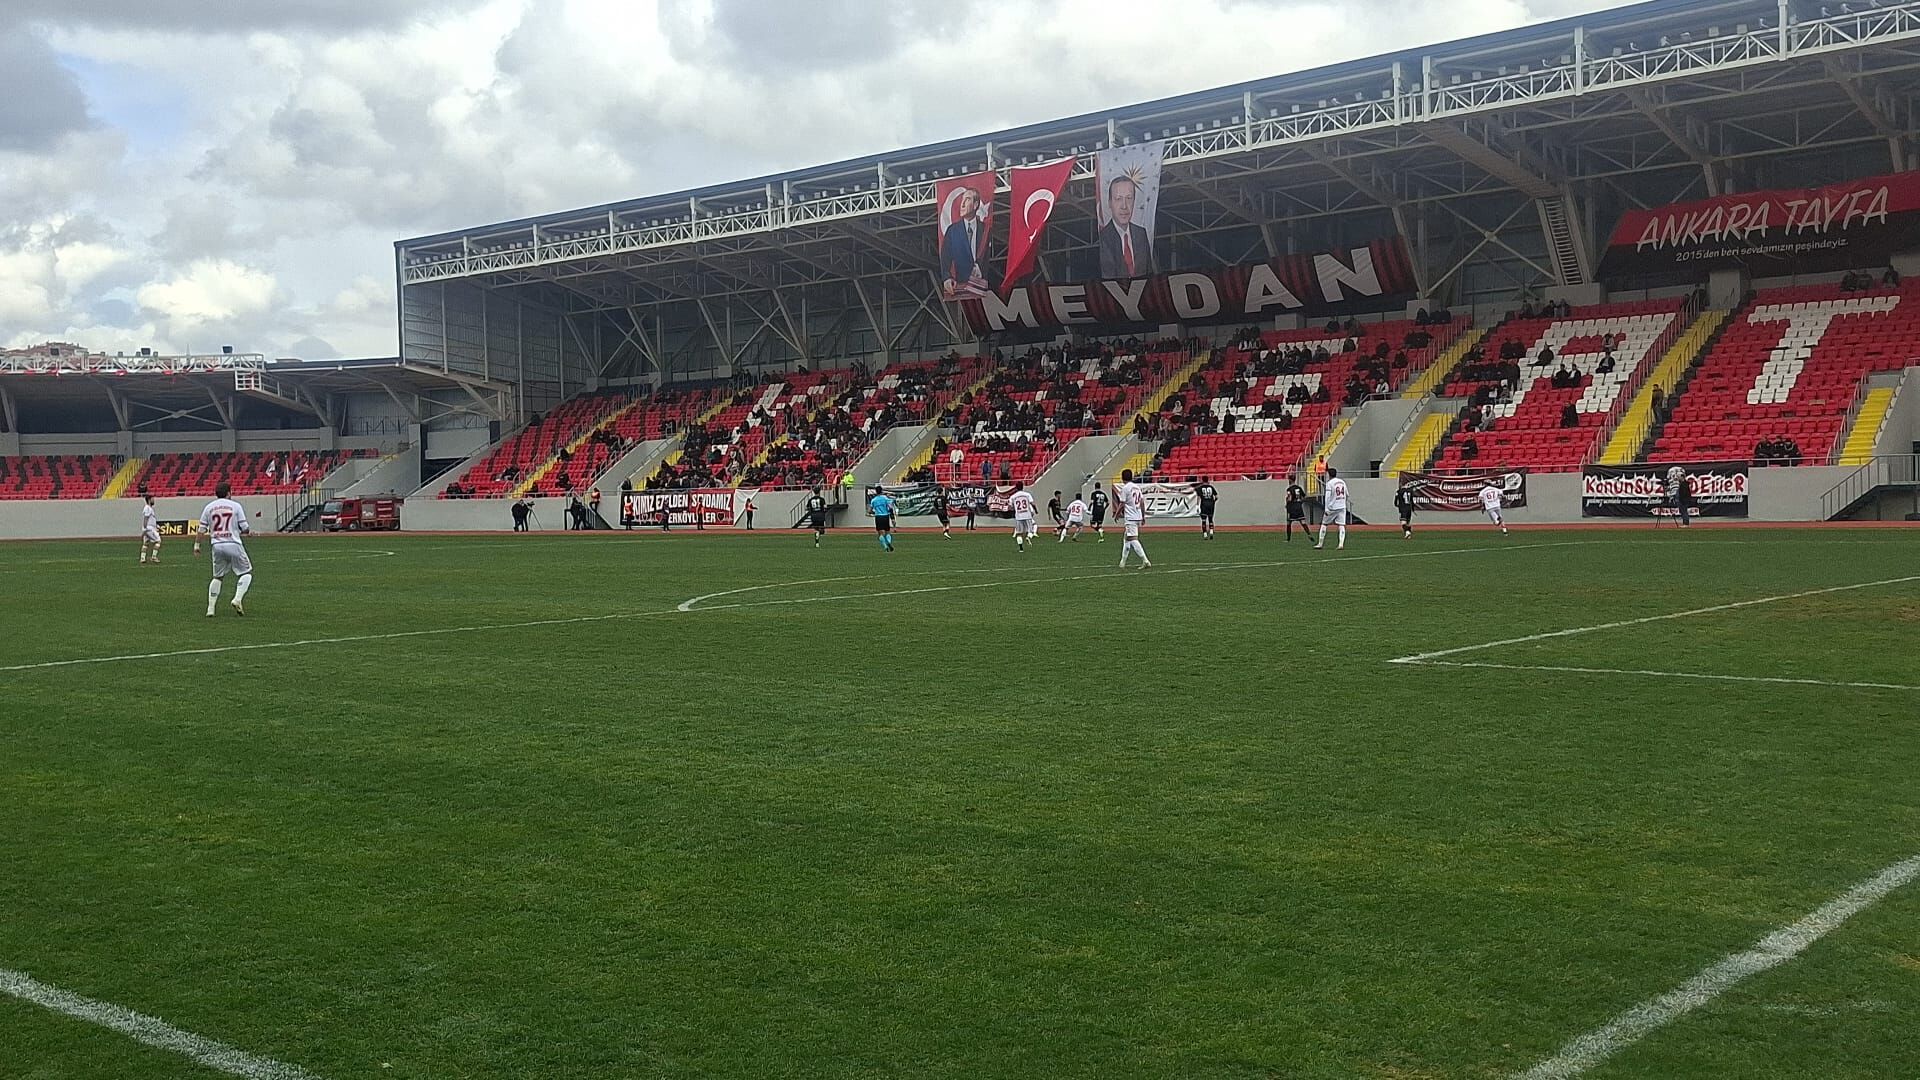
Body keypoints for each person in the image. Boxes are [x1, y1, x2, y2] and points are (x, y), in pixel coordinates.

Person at [198, 482, 253, 617]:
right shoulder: (235, 506)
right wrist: (246, 532)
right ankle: (237, 599)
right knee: (246, 573)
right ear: (229, 492)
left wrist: (196, 545)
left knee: (217, 577)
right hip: (233, 543)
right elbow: (244, 527)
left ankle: (210, 608)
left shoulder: (209, 507)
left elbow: (201, 529)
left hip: (216, 545)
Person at [1097, 175, 1156, 278]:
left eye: (1129, 198)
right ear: (1110, 203)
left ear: (1134, 201)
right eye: (1118, 199)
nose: (1124, 206)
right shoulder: (1103, 237)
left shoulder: (1141, 233)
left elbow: (1149, 272)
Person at [939, 185, 990, 299]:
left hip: (982, 286)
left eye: (967, 200)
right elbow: (945, 256)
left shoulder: (985, 229)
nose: (962, 204)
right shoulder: (953, 231)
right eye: (962, 200)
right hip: (960, 286)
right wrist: (946, 277)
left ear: (976, 205)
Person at [1115, 468, 1151, 569]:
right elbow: (1142, 502)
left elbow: (1122, 503)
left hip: (1130, 517)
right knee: (1126, 538)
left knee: (1133, 539)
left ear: (1122, 478)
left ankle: (1145, 560)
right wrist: (1143, 516)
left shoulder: (1125, 488)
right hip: (1138, 515)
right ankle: (1122, 562)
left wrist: (1117, 514)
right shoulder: (1137, 487)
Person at [1314, 467, 1349, 551]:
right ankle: (1341, 544)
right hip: (1342, 506)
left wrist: (1326, 508)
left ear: (1329, 474)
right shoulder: (1342, 482)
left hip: (1332, 507)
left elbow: (1327, 497)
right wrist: (1343, 502)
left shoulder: (1330, 483)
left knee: (1324, 524)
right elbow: (1347, 494)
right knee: (1341, 525)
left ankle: (1320, 543)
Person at [1008, 484, 1039, 552]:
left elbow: (1010, 507)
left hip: (1019, 516)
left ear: (1016, 488)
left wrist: (1015, 508)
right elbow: (1032, 504)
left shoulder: (1013, 497)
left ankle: (1021, 548)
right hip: (1027, 515)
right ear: (1023, 487)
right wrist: (1036, 510)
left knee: (1019, 533)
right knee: (1030, 530)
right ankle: (1028, 537)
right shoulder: (1027, 494)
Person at [869, 488, 897, 552]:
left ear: (876, 491)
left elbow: (870, 510)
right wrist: (892, 518)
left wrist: (872, 512)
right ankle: (889, 542)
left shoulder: (874, 500)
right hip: (886, 516)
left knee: (880, 534)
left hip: (878, 517)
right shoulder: (885, 498)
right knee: (887, 532)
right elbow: (890, 507)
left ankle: (885, 546)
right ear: (881, 491)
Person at [139, 494, 162, 564]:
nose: (154, 500)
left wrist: (156, 526)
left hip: (149, 528)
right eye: (152, 499)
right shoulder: (148, 508)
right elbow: (146, 518)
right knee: (158, 541)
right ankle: (154, 557)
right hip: (149, 529)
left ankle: (142, 558)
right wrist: (145, 528)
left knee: (146, 543)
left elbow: (150, 519)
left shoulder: (149, 508)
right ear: (149, 500)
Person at [1284, 475, 1309, 542]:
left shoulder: (1289, 489)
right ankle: (1309, 534)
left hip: (1292, 507)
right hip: (1298, 506)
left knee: (1289, 522)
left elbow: (1289, 499)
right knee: (1303, 522)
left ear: (1290, 480)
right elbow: (1304, 496)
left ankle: (1288, 539)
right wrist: (1300, 502)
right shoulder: (1299, 488)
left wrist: (1287, 504)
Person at [1195, 475, 1219, 540]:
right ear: (1208, 480)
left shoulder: (1200, 488)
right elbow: (1216, 496)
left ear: (1202, 480)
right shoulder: (1211, 487)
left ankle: (1205, 534)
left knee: (1204, 520)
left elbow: (1199, 497)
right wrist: (1213, 501)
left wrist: (1197, 505)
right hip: (1211, 504)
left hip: (1204, 504)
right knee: (1210, 519)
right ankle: (1211, 532)